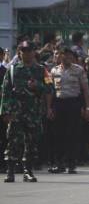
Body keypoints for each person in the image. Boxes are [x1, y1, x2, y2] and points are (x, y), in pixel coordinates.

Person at [1, 41, 53, 182]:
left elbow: (50, 88)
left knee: (31, 142)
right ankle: (10, 171)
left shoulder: (42, 70)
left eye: (29, 50)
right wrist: (5, 112)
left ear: (33, 52)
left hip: (33, 112)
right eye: (23, 50)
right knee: (13, 141)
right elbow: (5, 92)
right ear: (19, 52)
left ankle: (27, 171)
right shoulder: (12, 70)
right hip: (16, 112)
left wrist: (38, 86)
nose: (26, 53)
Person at [49, 47, 89, 173]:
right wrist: (49, 107)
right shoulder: (54, 70)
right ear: (60, 56)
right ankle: (59, 163)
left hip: (73, 104)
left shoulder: (79, 70)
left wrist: (88, 107)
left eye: (70, 56)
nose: (67, 58)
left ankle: (71, 163)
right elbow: (51, 91)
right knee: (58, 135)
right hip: (59, 104)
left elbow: (85, 89)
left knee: (72, 134)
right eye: (65, 55)